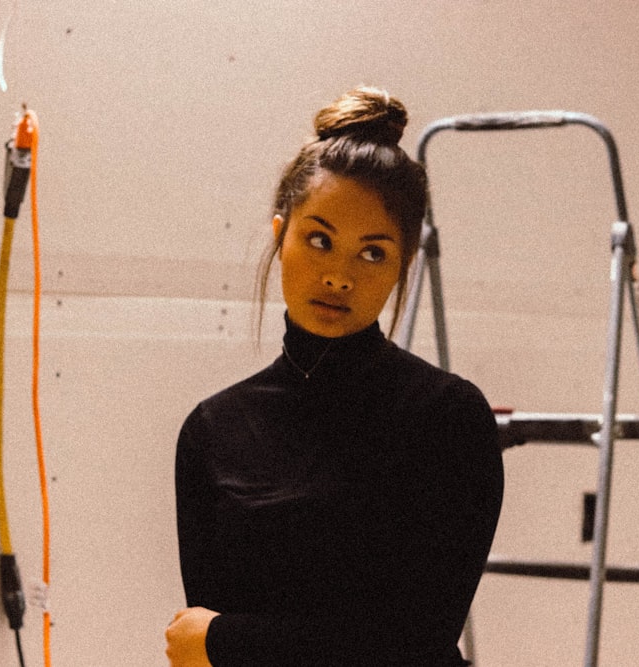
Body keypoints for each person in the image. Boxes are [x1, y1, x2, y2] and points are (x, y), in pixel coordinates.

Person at [166, 86, 504, 666]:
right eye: (319, 240)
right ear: (280, 235)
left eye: (372, 253)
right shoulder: (213, 430)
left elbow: (411, 645)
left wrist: (224, 640)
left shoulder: (447, 418)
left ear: (403, 266)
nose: (339, 276)